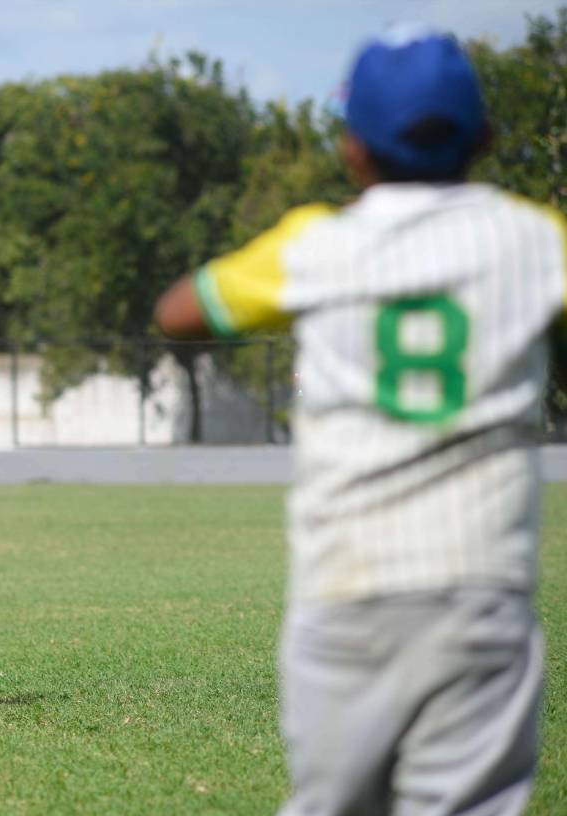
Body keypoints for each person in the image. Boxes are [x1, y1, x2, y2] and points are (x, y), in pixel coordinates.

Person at [155, 24, 566, 815]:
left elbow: (176, 311)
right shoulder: (535, 240)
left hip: (348, 587)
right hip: (483, 582)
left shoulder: (315, 246)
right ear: (485, 135)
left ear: (352, 149)